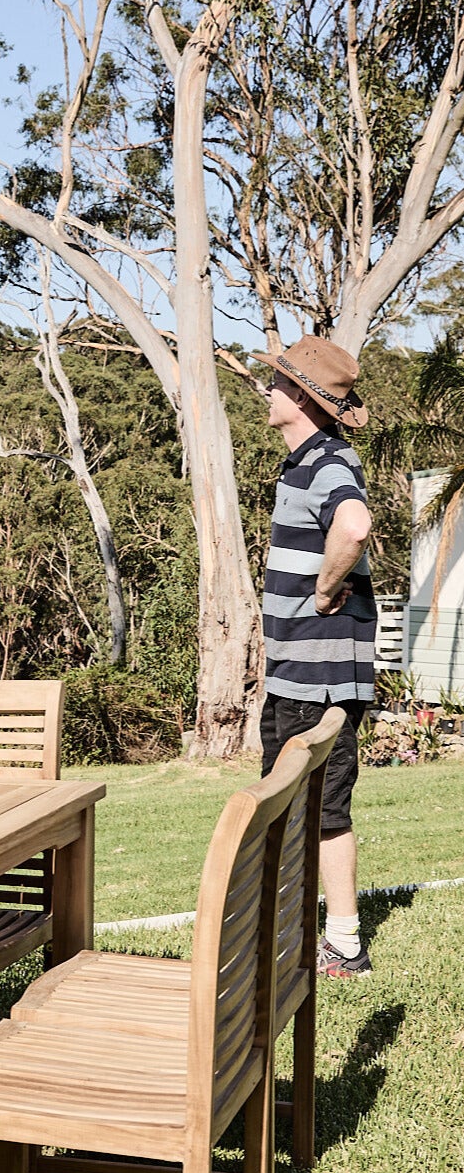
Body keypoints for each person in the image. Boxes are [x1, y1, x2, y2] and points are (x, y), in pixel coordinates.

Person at [250, 336, 376, 977]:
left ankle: (345, 941)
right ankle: (289, 927)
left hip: (320, 676)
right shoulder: (302, 463)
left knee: (321, 807)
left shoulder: (328, 461)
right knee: (284, 803)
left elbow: (353, 525)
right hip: (296, 672)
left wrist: (326, 589)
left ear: (300, 397)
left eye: (275, 382)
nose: (265, 389)